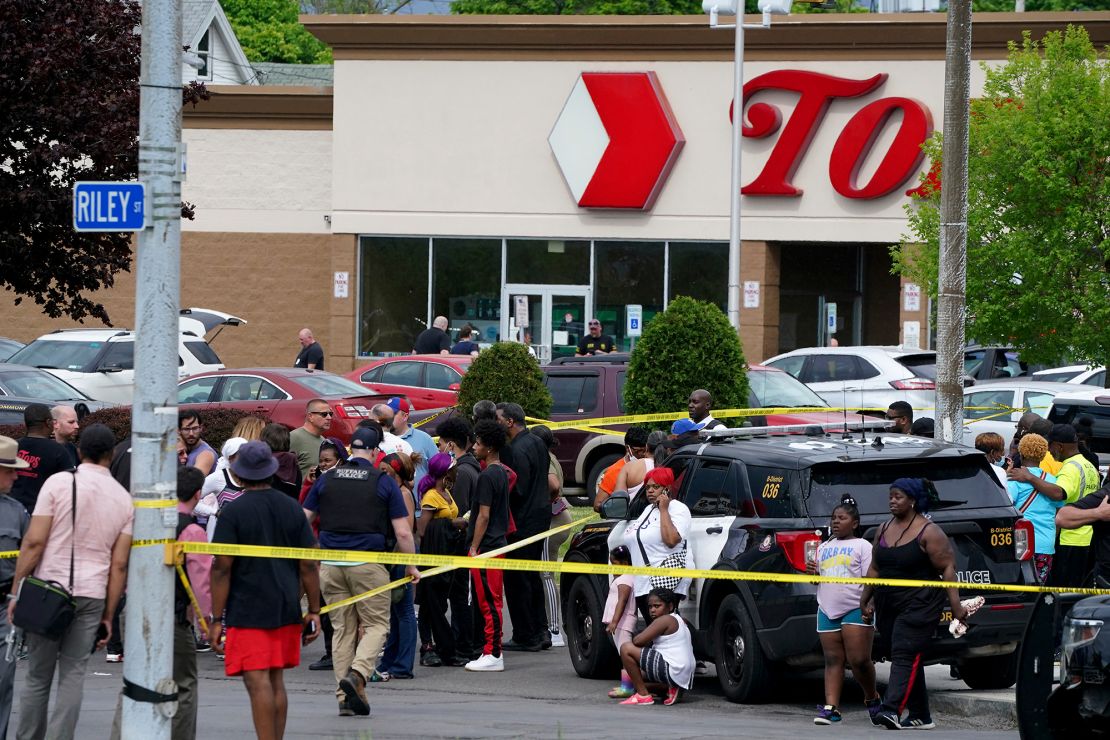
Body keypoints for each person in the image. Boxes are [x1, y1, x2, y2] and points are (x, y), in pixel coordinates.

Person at [8, 424, 133, 740]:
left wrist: (15, 592)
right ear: (112, 455)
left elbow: (34, 542)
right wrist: (108, 614)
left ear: (79, 452)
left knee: (37, 677)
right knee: (73, 676)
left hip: (48, 590)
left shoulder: (58, 483)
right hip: (92, 595)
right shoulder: (124, 500)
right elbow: (119, 565)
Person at [208, 441, 322, 740]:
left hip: (248, 607)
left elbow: (222, 567)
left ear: (240, 474)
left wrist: (216, 618)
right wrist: (313, 610)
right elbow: (309, 564)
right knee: (275, 680)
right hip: (285, 604)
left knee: (257, 682)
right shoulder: (292, 508)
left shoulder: (233, 511)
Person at [302, 426, 420, 715]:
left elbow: (303, 519)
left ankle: (344, 699)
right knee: (378, 625)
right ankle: (358, 674)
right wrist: (412, 564)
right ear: (375, 451)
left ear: (350, 449)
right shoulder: (382, 481)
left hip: (330, 565)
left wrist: (312, 551)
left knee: (343, 630)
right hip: (368, 564)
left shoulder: (327, 479)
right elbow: (403, 532)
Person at [860, 478, 968, 731]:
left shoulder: (929, 531)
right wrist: (866, 599)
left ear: (913, 501)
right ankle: (921, 715)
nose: (892, 501)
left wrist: (956, 607)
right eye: (891, 496)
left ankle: (891, 709)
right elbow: (875, 568)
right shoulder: (883, 529)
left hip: (921, 601)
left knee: (904, 651)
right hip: (889, 600)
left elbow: (948, 570)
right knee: (903, 654)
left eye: (898, 497)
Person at [809, 494, 880, 726]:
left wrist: (869, 603)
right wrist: (812, 574)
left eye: (841, 518)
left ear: (855, 523)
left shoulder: (862, 546)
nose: (836, 522)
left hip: (855, 607)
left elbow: (871, 578)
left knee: (859, 659)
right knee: (832, 659)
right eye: (833, 518)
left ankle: (872, 697)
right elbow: (817, 581)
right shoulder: (824, 547)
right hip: (827, 609)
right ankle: (831, 708)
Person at [1010, 423, 1099, 587]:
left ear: (1059, 446)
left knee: (1062, 592)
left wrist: (1029, 477)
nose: (1049, 451)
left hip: (1070, 538)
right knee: (1077, 590)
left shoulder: (1071, 468)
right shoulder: (1088, 466)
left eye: (1050, 445)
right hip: (1086, 536)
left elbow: (1059, 493)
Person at [496, 402, 553, 652]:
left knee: (518, 578)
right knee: (532, 576)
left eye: (498, 419)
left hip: (522, 521)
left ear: (509, 422)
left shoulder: (515, 450)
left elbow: (517, 488)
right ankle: (541, 630)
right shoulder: (537, 442)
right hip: (540, 517)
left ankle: (525, 634)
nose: (496, 424)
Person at [465, 419, 513, 672]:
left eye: (478, 443)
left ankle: (493, 653)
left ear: (490, 447)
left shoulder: (487, 475)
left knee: (489, 602)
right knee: (491, 600)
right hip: (496, 544)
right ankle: (491, 651)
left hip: (488, 547)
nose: (474, 447)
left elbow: (483, 515)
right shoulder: (501, 472)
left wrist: (474, 547)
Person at [415, 452, 467, 667]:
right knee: (430, 603)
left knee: (439, 602)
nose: (456, 471)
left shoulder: (446, 493)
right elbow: (423, 529)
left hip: (449, 553)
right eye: (453, 468)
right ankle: (428, 646)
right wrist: (452, 524)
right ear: (444, 472)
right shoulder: (430, 497)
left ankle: (439, 644)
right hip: (434, 555)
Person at [171, 466, 211, 738]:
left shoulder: (148, 522)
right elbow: (201, 583)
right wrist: (206, 623)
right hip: (176, 617)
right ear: (198, 494)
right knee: (184, 684)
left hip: (137, 612)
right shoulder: (193, 531)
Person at [434, 415, 479, 660]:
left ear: (451, 445)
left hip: (460, 546)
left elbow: (459, 513)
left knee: (460, 597)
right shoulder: (471, 468)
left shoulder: (461, 474)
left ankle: (463, 643)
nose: (439, 448)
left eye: (441, 444)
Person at [375, 452, 420, 679]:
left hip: (401, 556)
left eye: (385, 471)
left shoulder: (403, 495)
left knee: (403, 611)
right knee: (394, 611)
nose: (380, 475)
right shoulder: (393, 493)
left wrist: (405, 562)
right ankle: (389, 661)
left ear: (396, 473)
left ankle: (403, 665)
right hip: (393, 555)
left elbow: (407, 530)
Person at [623, 467, 692, 615]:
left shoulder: (678, 509)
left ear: (667, 489)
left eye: (656, 487)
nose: (650, 491)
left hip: (664, 580)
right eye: (647, 487)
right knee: (655, 631)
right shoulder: (648, 509)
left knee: (662, 631)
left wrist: (664, 510)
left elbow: (671, 539)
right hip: (644, 581)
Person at [616, 587, 694, 706]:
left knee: (625, 648)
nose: (652, 610)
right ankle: (671, 688)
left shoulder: (665, 619)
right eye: (650, 607)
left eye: (657, 606)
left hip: (672, 668)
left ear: (670, 606)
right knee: (635, 677)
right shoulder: (681, 620)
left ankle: (643, 695)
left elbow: (637, 641)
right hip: (684, 673)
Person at [0, 436, 29, 739]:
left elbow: (31, 556)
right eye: (10, 470)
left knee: (3, 681)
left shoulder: (16, 512)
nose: (17, 475)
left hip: (3, 608)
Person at [532, 425, 571, 648]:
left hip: (553, 521)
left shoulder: (545, 458)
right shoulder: (550, 455)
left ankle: (555, 629)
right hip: (557, 518)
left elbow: (553, 485)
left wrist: (546, 502)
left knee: (546, 574)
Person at [1006, 433, 1062, 584]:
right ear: (1043, 456)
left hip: (1020, 543)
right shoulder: (1052, 480)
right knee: (1038, 587)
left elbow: (1006, 507)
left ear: (1021, 453)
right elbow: (1058, 511)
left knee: (1019, 587)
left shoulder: (1015, 478)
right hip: (1046, 544)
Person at [10, 403, 72, 514]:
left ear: (25, 424)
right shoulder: (59, 451)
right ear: (48, 423)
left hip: (12, 511)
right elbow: (68, 486)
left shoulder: (13, 446)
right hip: (42, 514)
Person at [603, 546, 637, 700]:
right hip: (621, 623)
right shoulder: (625, 578)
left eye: (614, 564)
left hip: (623, 623)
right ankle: (627, 684)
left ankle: (628, 687)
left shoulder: (625, 579)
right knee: (622, 654)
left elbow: (622, 602)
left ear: (624, 563)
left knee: (625, 656)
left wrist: (614, 622)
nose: (612, 568)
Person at [593, 427, 649, 511]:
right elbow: (598, 505)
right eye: (638, 451)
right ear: (627, 448)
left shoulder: (652, 464)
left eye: (645, 450)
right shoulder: (614, 471)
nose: (642, 454)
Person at [388, 397, 437, 483]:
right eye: (387, 414)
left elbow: (438, 469)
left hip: (420, 495)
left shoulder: (424, 438)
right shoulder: (382, 439)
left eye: (393, 414)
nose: (389, 418)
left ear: (405, 416)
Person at [289, 399, 332, 479]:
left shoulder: (323, 440)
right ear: (310, 416)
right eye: (324, 414)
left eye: (330, 414)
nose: (329, 418)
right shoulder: (294, 437)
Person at [616, 430, 665, 500]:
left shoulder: (628, 468)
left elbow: (618, 501)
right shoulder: (675, 466)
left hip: (634, 511)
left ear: (646, 446)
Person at [179, 410, 216, 475]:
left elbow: (192, 482)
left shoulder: (206, 454)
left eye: (195, 428)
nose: (191, 433)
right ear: (178, 430)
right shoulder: (180, 446)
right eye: (186, 429)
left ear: (201, 428)